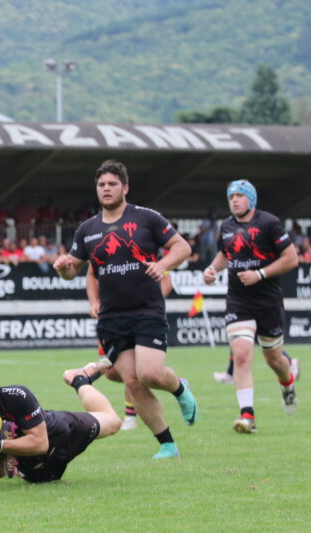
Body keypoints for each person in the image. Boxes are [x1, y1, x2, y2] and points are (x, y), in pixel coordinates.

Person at [53, 159, 196, 459]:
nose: (106, 189)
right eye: (101, 185)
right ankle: (167, 444)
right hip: (112, 318)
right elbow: (75, 271)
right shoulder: (87, 230)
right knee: (131, 380)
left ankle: (180, 390)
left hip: (147, 309)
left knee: (151, 374)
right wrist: (63, 268)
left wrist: (163, 265)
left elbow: (182, 247)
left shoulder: (147, 218)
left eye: (112, 184)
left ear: (125, 188)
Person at [202, 179, 299, 434]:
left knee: (275, 359)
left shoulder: (269, 223)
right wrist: (212, 268)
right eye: (230, 196)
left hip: (268, 301)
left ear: (251, 199)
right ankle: (247, 415)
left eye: (239, 196)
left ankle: (288, 384)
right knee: (242, 354)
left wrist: (260, 274)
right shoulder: (226, 226)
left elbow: (291, 259)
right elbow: (226, 253)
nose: (234, 200)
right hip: (238, 299)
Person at [0, 361, 121, 483]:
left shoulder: (16, 394)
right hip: (36, 472)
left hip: (60, 433)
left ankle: (79, 379)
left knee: (113, 422)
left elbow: (40, 444)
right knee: (41, 479)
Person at [86, 259, 174, 431]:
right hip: (111, 319)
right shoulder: (100, 245)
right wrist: (94, 302)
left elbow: (166, 280)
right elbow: (91, 274)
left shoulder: (142, 244)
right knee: (112, 372)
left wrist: (151, 303)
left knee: (131, 372)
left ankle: (130, 416)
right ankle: (168, 382)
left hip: (140, 319)